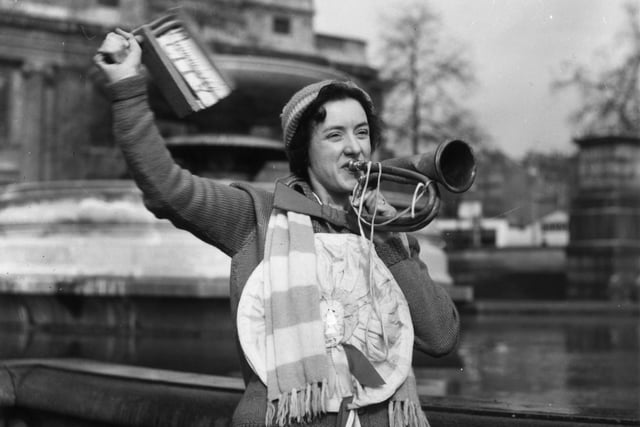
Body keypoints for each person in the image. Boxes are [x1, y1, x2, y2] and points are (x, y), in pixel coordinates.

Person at [94, 28, 460, 427]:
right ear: (305, 151)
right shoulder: (259, 215)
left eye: (362, 132)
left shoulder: (386, 228)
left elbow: (440, 337)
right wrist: (128, 87)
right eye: (334, 135)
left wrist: (388, 238)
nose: (354, 148)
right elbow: (166, 188)